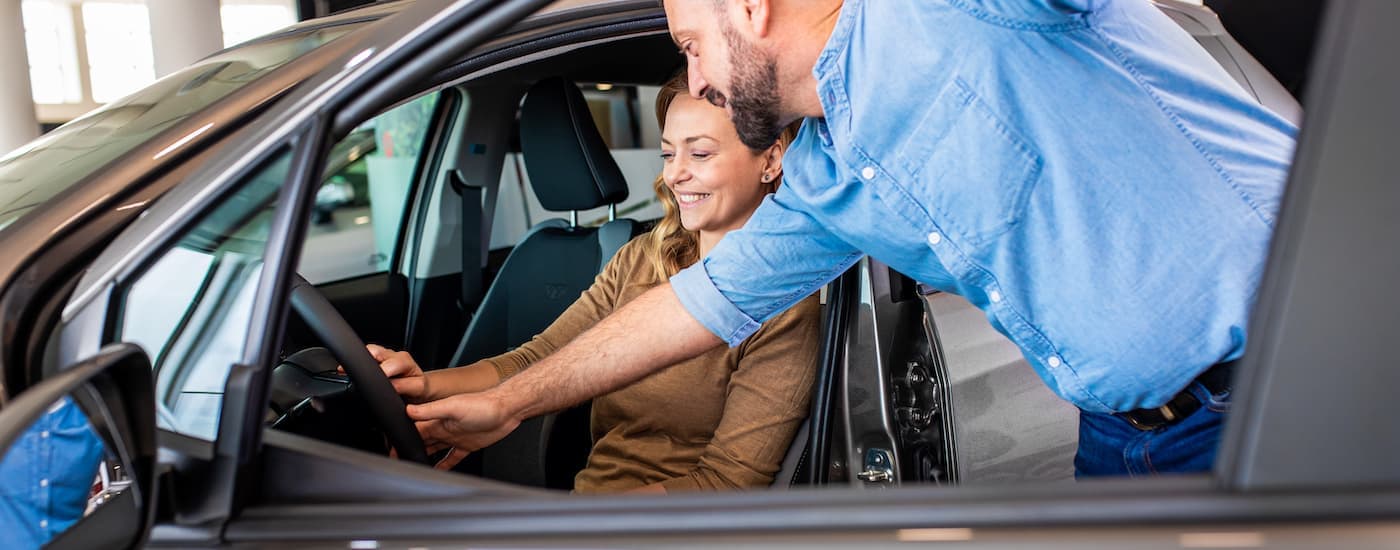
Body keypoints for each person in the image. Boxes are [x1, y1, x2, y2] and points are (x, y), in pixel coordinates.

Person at [404, 0, 1298, 478]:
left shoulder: (960, 9)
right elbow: (691, 307)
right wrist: (510, 402)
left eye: (690, 46)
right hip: (1125, 436)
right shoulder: (825, 181)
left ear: (750, 8)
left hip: (1288, 385)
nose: (696, 81)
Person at [375, 72, 819, 492]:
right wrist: (425, 385)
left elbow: (726, 482)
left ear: (771, 159)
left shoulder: (785, 302)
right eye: (668, 154)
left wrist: (569, 525)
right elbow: (541, 357)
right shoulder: (640, 260)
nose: (674, 174)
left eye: (699, 153)